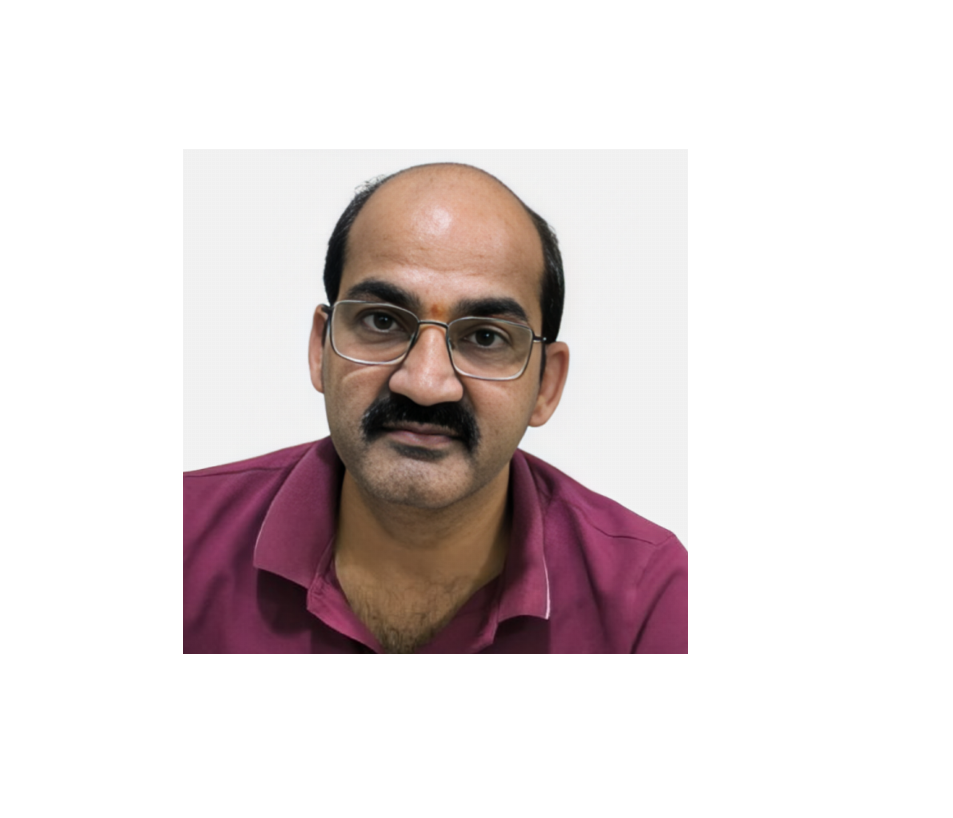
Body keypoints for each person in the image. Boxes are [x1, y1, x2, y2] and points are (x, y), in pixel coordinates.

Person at [183, 163, 687, 655]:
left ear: (545, 385)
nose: (425, 385)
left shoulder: (649, 599)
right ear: (321, 349)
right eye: (382, 321)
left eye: (485, 337)